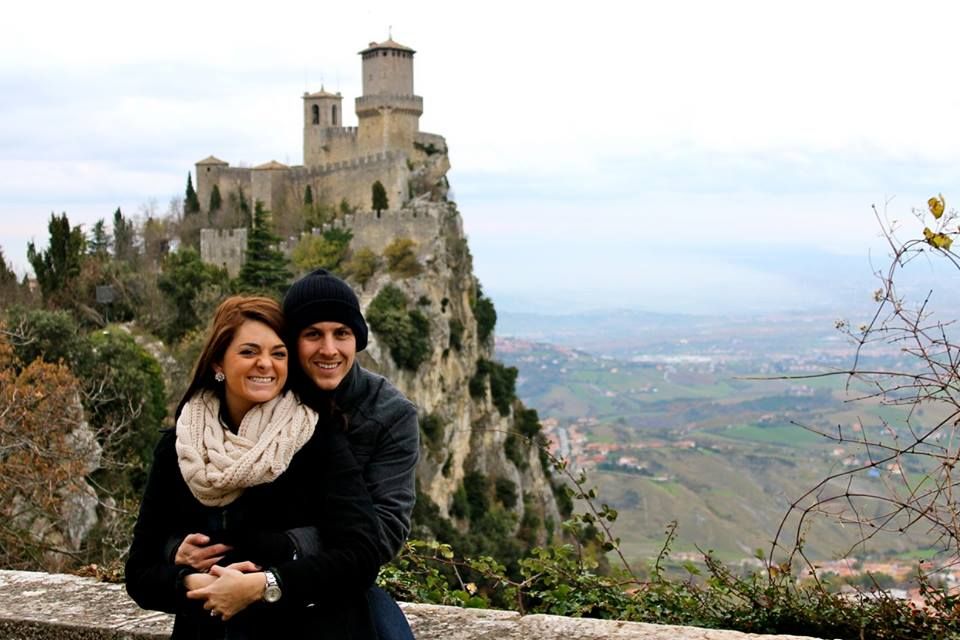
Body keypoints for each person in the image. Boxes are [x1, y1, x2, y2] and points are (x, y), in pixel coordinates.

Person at [125, 296, 381, 639]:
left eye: (278, 354)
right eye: (248, 352)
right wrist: (191, 582)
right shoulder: (180, 448)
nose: (265, 364)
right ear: (218, 361)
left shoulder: (315, 441)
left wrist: (266, 585)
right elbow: (139, 572)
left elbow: (361, 555)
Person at [281, 268, 420, 639]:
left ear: (357, 340)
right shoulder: (265, 399)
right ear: (292, 342)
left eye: (341, 334)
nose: (329, 349)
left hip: (340, 583)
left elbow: (385, 532)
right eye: (313, 334)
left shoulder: (390, 414)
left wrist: (287, 546)